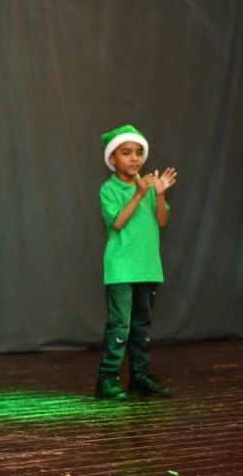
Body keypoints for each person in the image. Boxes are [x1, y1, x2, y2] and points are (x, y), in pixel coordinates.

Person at [95, 124, 177, 400]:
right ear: (112, 158)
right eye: (126, 152)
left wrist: (160, 193)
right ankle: (107, 379)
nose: (134, 158)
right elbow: (118, 222)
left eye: (139, 153)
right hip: (121, 270)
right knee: (120, 326)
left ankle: (139, 377)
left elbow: (162, 221)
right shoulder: (109, 189)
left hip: (148, 268)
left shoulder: (149, 188)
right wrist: (139, 193)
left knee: (142, 326)